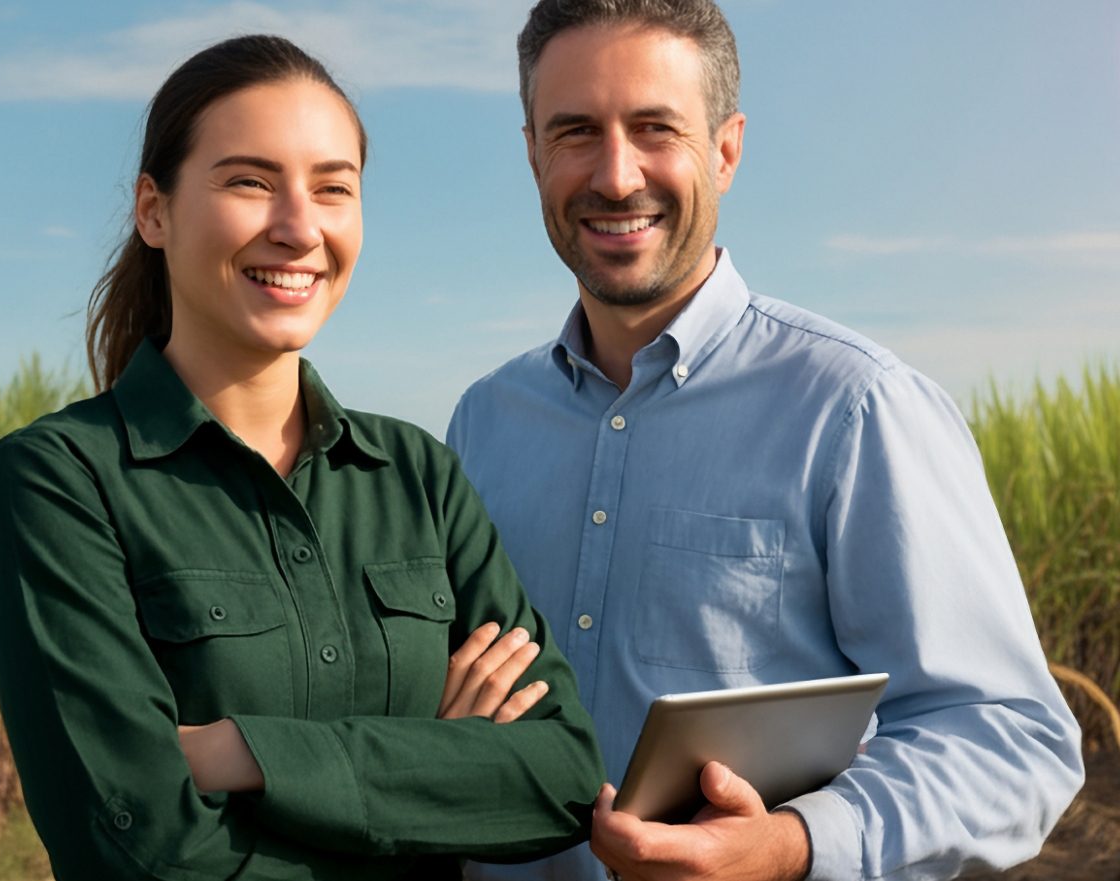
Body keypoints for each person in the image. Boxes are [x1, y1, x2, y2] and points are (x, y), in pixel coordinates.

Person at [446, 2, 1084, 879]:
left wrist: (794, 844)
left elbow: (1012, 737)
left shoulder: (859, 407)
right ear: (532, 154)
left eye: (655, 128)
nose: (617, 174)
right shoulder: (482, 422)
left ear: (727, 148)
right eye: (575, 132)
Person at [0, 34, 604, 881]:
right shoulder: (56, 483)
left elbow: (561, 777)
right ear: (153, 210)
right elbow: (136, 847)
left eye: (333, 188)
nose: (299, 227)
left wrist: (239, 752)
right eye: (249, 182)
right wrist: (440, 764)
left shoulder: (418, 474)